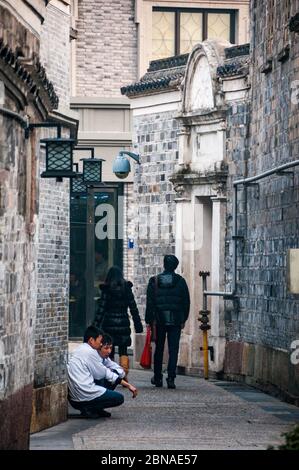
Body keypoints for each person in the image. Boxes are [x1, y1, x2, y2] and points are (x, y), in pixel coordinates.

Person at [145, 255, 190, 389]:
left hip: (159, 321)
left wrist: (149, 320)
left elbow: (150, 303)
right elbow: (186, 302)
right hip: (175, 320)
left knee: (159, 349)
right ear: (175, 266)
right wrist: (184, 319)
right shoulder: (181, 281)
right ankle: (171, 378)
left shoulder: (154, 281)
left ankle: (158, 377)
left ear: (164, 265)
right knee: (173, 349)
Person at [93, 266, 143, 378]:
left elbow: (101, 309)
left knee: (108, 350)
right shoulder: (126, 288)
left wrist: (95, 326)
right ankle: (123, 374)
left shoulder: (107, 289)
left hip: (109, 324)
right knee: (123, 350)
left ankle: (111, 375)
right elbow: (133, 308)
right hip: (123, 324)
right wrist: (138, 325)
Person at [67, 325, 125, 418]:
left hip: (75, 398)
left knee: (112, 374)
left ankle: (96, 408)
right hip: (83, 396)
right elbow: (102, 374)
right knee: (119, 398)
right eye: (99, 341)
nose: (101, 344)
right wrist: (127, 385)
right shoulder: (90, 352)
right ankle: (90, 407)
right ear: (91, 340)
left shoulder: (82, 349)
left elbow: (115, 369)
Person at [96, 333, 138, 398]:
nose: (109, 351)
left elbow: (119, 371)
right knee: (119, 397)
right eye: (106, 348)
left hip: (110, 331)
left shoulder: (105, 358)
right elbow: (108, 375)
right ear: (98, 347)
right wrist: (127, 385)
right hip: (89, 390)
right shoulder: (94, 357)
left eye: (110, 348)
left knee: (115, 371)